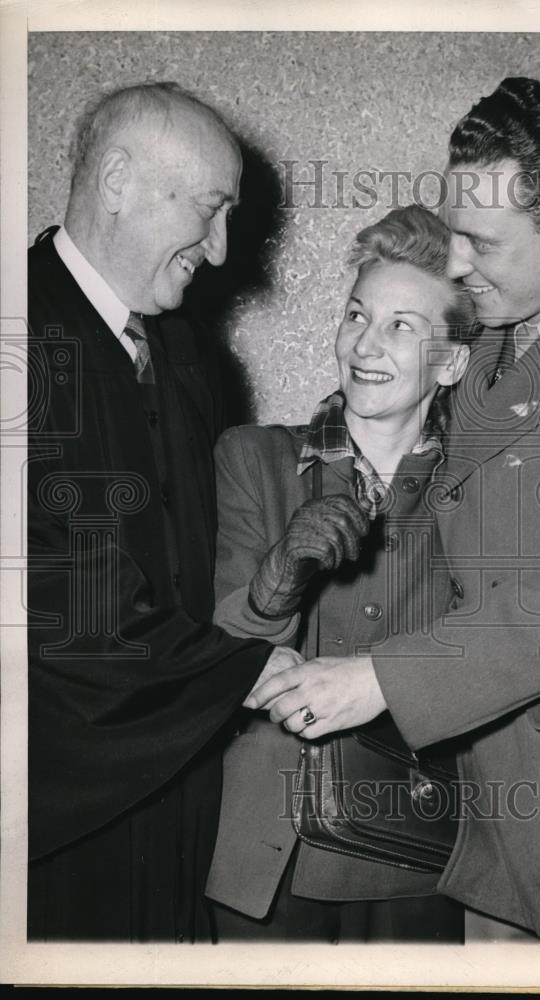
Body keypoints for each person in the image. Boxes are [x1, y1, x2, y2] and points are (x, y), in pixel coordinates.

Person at [249, 78, 540, 943]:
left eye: (481, 241)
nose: (456, 263)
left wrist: (377, 680)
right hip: (491, 818)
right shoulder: (492, 347)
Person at [26, 81, 300, 942]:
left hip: (177, 774)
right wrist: (242, 672)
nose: (221, 251)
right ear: (117, 181)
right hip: (60, 798)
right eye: (210, 210)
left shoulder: (184, 353)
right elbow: (57, 588)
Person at [204, 205, 474, 941]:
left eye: (402, 327)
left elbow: (491, 656)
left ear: (451, 362)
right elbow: (223, 645)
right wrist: (280, 575)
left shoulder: (484, 488)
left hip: (415, 851)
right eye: (358, 315)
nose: (366, 344)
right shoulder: (252, 457)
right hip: (267, 856)